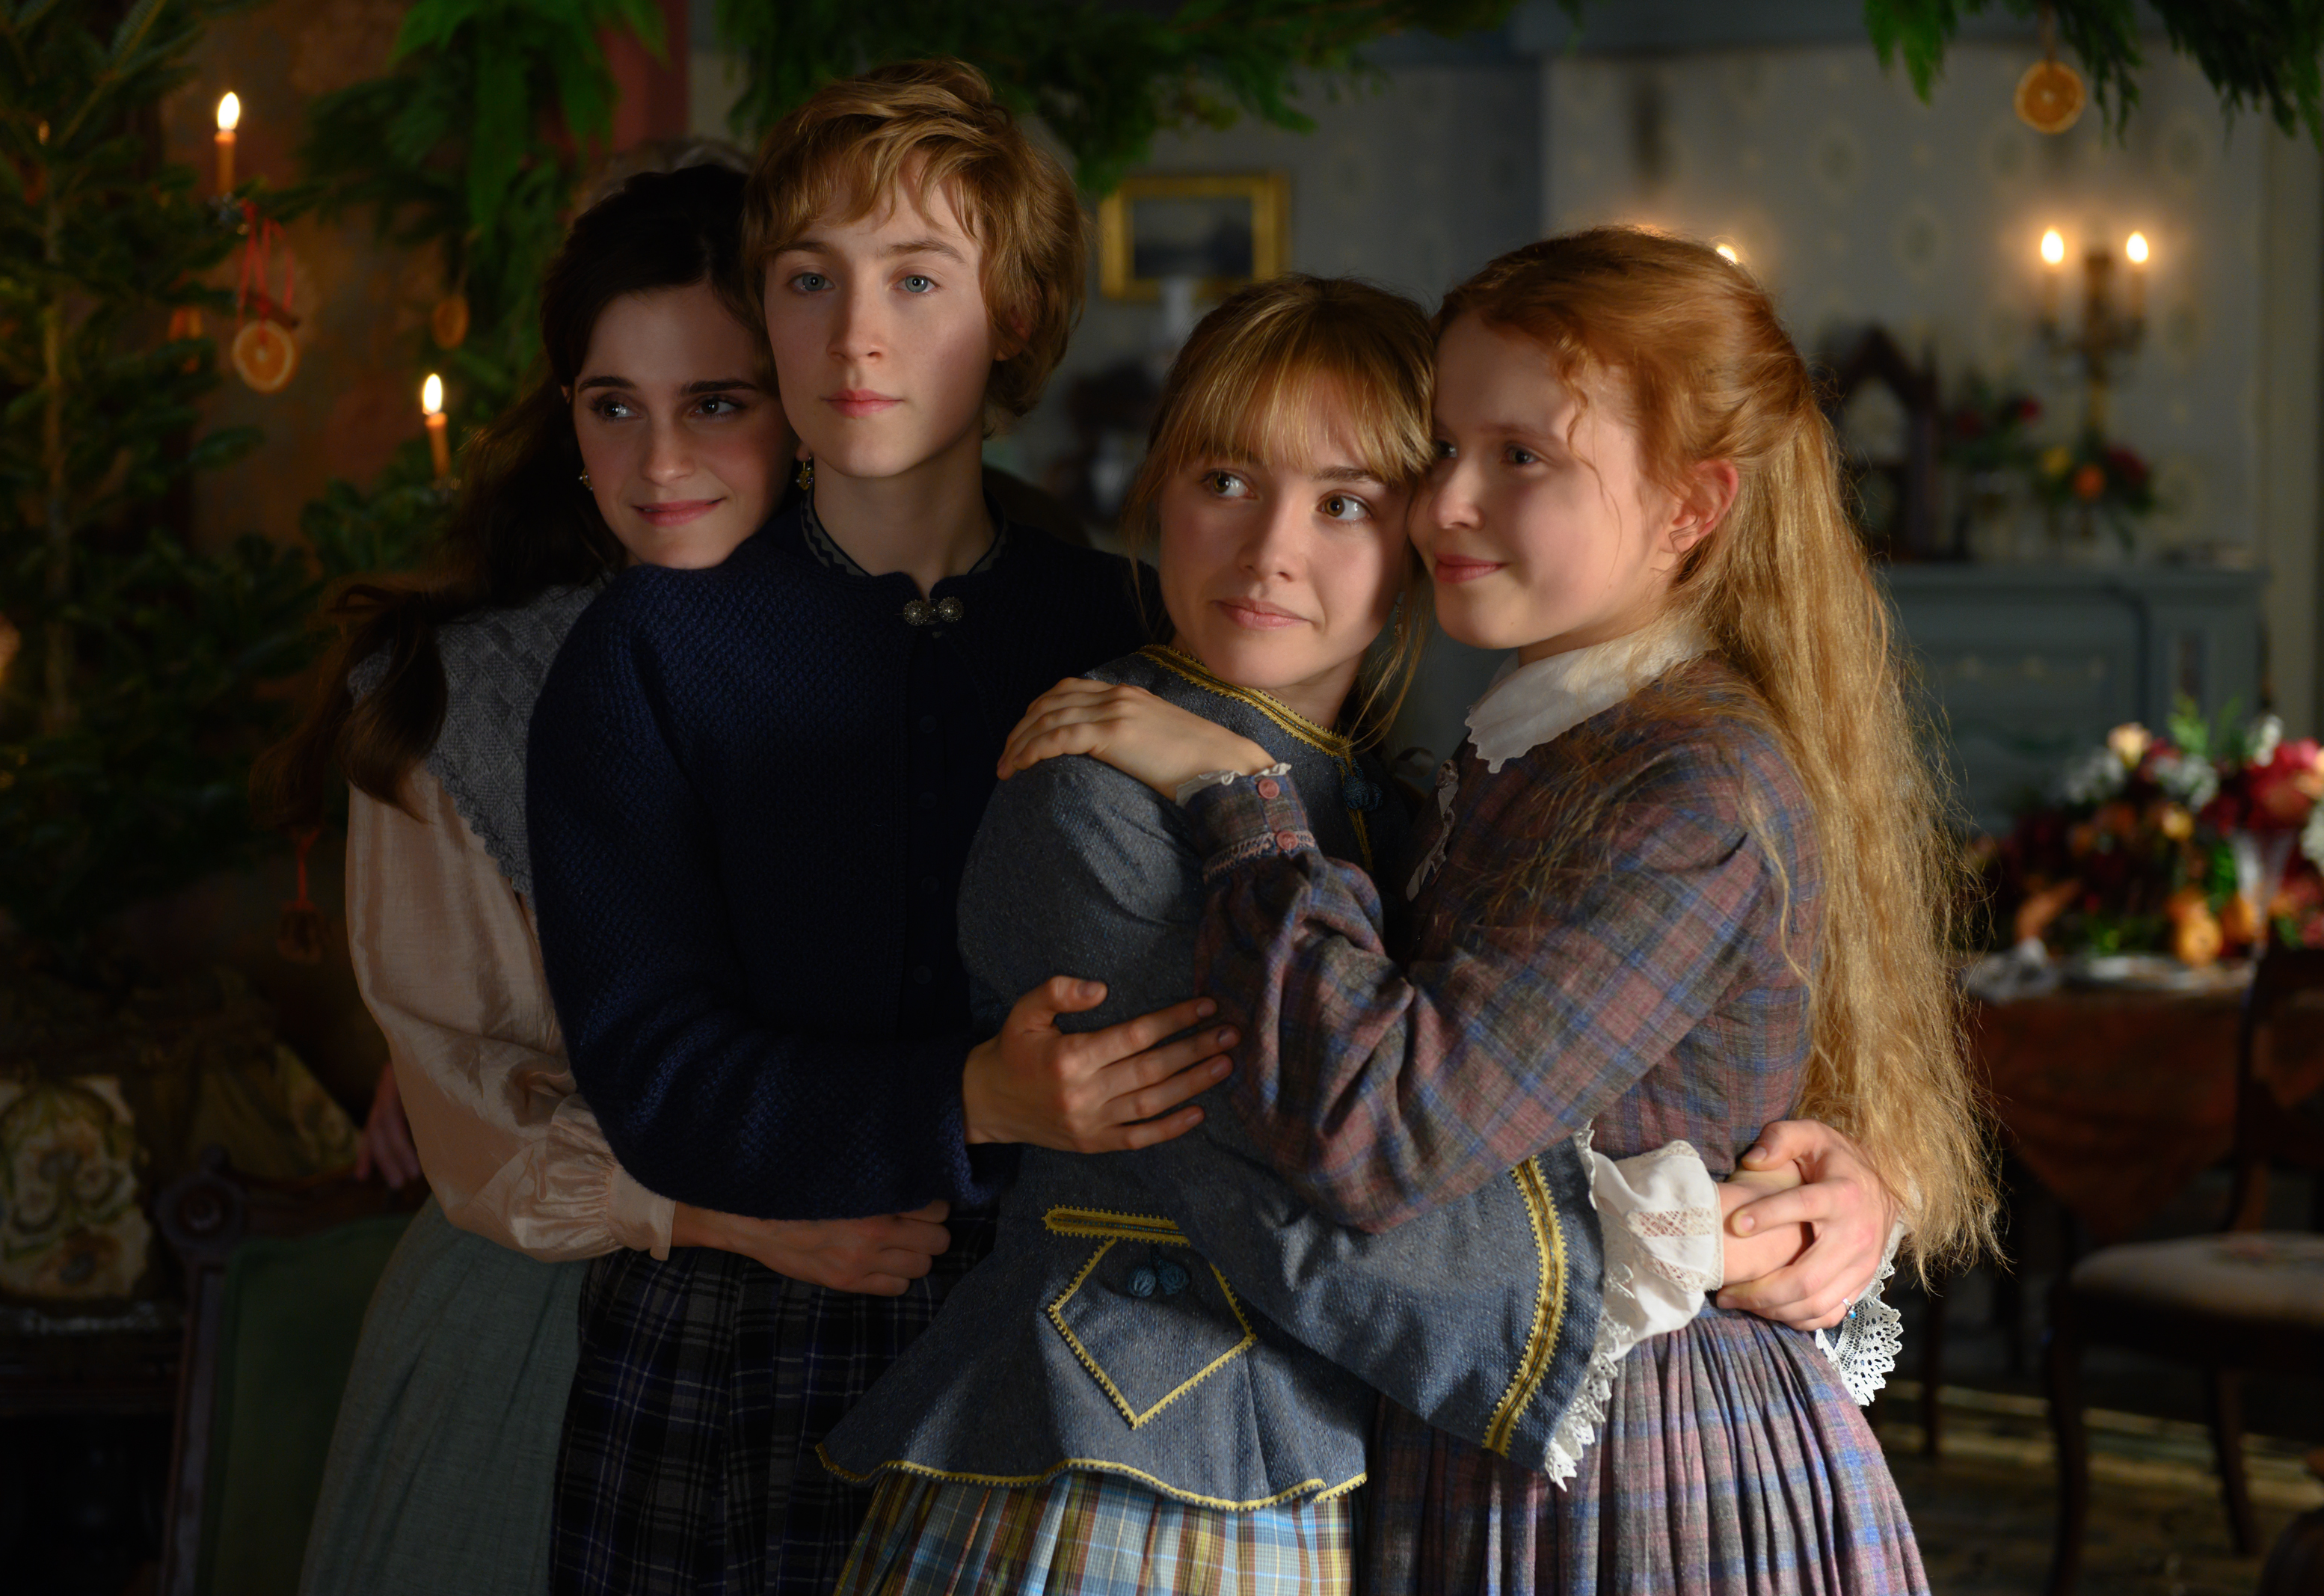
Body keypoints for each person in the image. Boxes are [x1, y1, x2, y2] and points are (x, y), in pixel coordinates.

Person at [823, 274, 1893, 1595]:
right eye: (1224, 480)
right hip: (1127, 1449)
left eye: (1344, 501)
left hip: (1379, 1461)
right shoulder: (1092, 789)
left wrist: (1848, 1192)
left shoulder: (1404, 796)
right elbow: (1295, 1193)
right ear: (1158, 493)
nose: (1269, 550)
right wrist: (1676, 1240)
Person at [525, 61, 1234, 1596]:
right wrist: (971, 1095)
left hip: (1081, 1326)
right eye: (808, 279)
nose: (855, 334)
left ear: (1016, 316)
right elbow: (651, 1074)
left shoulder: (1127, 627)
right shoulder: (646, 650)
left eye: (917, 279)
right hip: (744, 1348)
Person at [259, 164, 917, 1596]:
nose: (658, 460)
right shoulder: (455, 698)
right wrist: (729, 1213)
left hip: (897, 1309)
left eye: (717, 402)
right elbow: (466, 1092)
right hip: (552, 1318)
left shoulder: (937, 631)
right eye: (614, 405)